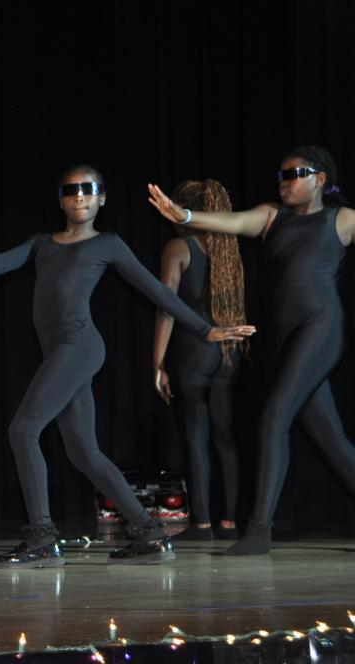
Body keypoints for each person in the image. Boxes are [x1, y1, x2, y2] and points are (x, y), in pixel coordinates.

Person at [0, 165, 255, 567]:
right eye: (71, 190)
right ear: (61, 199)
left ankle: (41, 536)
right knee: (84, 452)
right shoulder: (42, 244)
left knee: (23, 430)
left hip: (79, 345)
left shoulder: (107, 244)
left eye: (88, 189)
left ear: (102, 198)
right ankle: (149, 532)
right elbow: (3, 262)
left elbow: (156, 290)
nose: (79, 196)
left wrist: (204, 329)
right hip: (63, 350)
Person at [148, 145, 355, 555]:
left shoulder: (342, 219)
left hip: (320, 328)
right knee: (332, 443)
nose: (286, 182)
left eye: (296, 174)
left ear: (320, 180)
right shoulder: (270, 217)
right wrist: (185, 216)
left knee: (275, 416)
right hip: (283, 337)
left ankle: (259, 530)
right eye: (282, 175)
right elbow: (232, 221)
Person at [152, 179, 246, 541]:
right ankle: (231, 521)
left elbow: (166, 307)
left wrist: (156, 363)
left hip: (194, 353)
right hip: (230, 354)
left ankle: (203, 524)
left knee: (196, 438)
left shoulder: (179, 246)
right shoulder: (229, 251)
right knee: (226, 439)